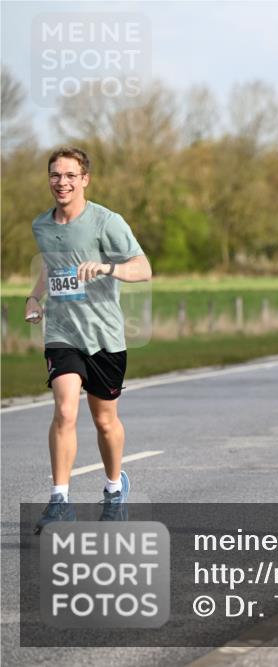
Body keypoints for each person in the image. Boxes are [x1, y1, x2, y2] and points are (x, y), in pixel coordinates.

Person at [27, 147, 152, 533]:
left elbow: (144, 268)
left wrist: (107, 267)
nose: (61, 182)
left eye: (69, 175)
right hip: (62, 333)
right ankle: (60, 498)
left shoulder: (106, 222)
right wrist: (35, 296)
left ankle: (114, 490)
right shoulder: (42, 225)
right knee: (65, 410)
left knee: (104, 420)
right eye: (54, 175)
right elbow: (52, 268)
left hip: (103, 336)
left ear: (84, 179)